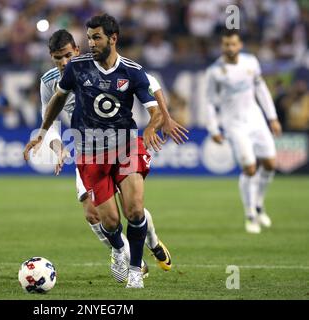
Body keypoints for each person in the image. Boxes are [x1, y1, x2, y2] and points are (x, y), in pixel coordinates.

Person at [25, 15, 187, 288]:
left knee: (134, 208)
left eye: (67, 55)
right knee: (97, 215)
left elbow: (154, 86)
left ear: (75, 51)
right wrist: (50, 141)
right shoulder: (57, 77)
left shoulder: (127, 69)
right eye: (57, 58)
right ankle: (120, 250)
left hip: (123, 144)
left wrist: (163, 119)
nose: (63, 62)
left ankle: (149, 247)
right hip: (87, 148)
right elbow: (51, 112)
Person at [205, 29, 282, 234]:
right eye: (226, 44)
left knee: (270, 164)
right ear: (222, 46)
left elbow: (261, 89)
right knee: (250, 168)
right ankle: (250, 214)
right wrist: (213, 127)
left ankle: (258, 204)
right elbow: (210, 103)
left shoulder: (251, 62)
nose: (229, 48)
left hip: (256, 120)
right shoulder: (214, 72)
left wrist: (272, 117)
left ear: (240, 45)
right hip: (234, 124)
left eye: (233, 44)